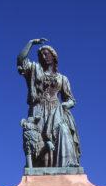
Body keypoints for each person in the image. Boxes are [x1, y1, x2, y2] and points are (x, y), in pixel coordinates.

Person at [17, 38, 81, 168]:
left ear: (53, 57)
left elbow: (71, 100)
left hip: (56, 111)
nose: (44, 56)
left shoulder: (62, 79)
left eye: (47, 54)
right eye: (41, 55)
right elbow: (20, 60)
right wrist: (31, 43)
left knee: (62, 132)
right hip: (38, 111)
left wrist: (66, 105)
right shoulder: (34, 70)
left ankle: (66, 164)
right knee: (39, 146)